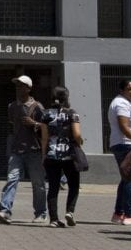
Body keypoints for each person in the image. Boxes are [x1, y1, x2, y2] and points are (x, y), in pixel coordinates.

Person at [0, 75, 48, 225]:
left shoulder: (37, 107)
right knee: (12, 179)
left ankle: (41, 213)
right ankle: (5, 211)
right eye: (17, 85)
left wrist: (34, 123)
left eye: (21, 85)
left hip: (34, 150)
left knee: (38, 184)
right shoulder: (12, 106)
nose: (18, 88)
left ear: (29, 88)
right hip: (16, 150)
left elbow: (46, 127)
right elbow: (12, 127)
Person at [41, 86, 82, 228]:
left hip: (52, 155)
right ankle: (70, 212)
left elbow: (44, 138)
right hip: (69, 155)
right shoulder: (72, 114)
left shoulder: (46, 114)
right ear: (67, 98)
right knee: (74, 185)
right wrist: (80, 142)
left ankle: (53, 219)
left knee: (53, 187)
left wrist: (43, 155)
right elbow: (76, 134)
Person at [107, 79, 131, 225]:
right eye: (129, 89)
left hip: (128, 144)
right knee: (129, 178)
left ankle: (118, 213)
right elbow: (124, 127)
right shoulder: (121, 103)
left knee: (125, 179)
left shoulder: (129, 103)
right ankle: (127, 215)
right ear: (122, 90)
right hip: (125, 144)